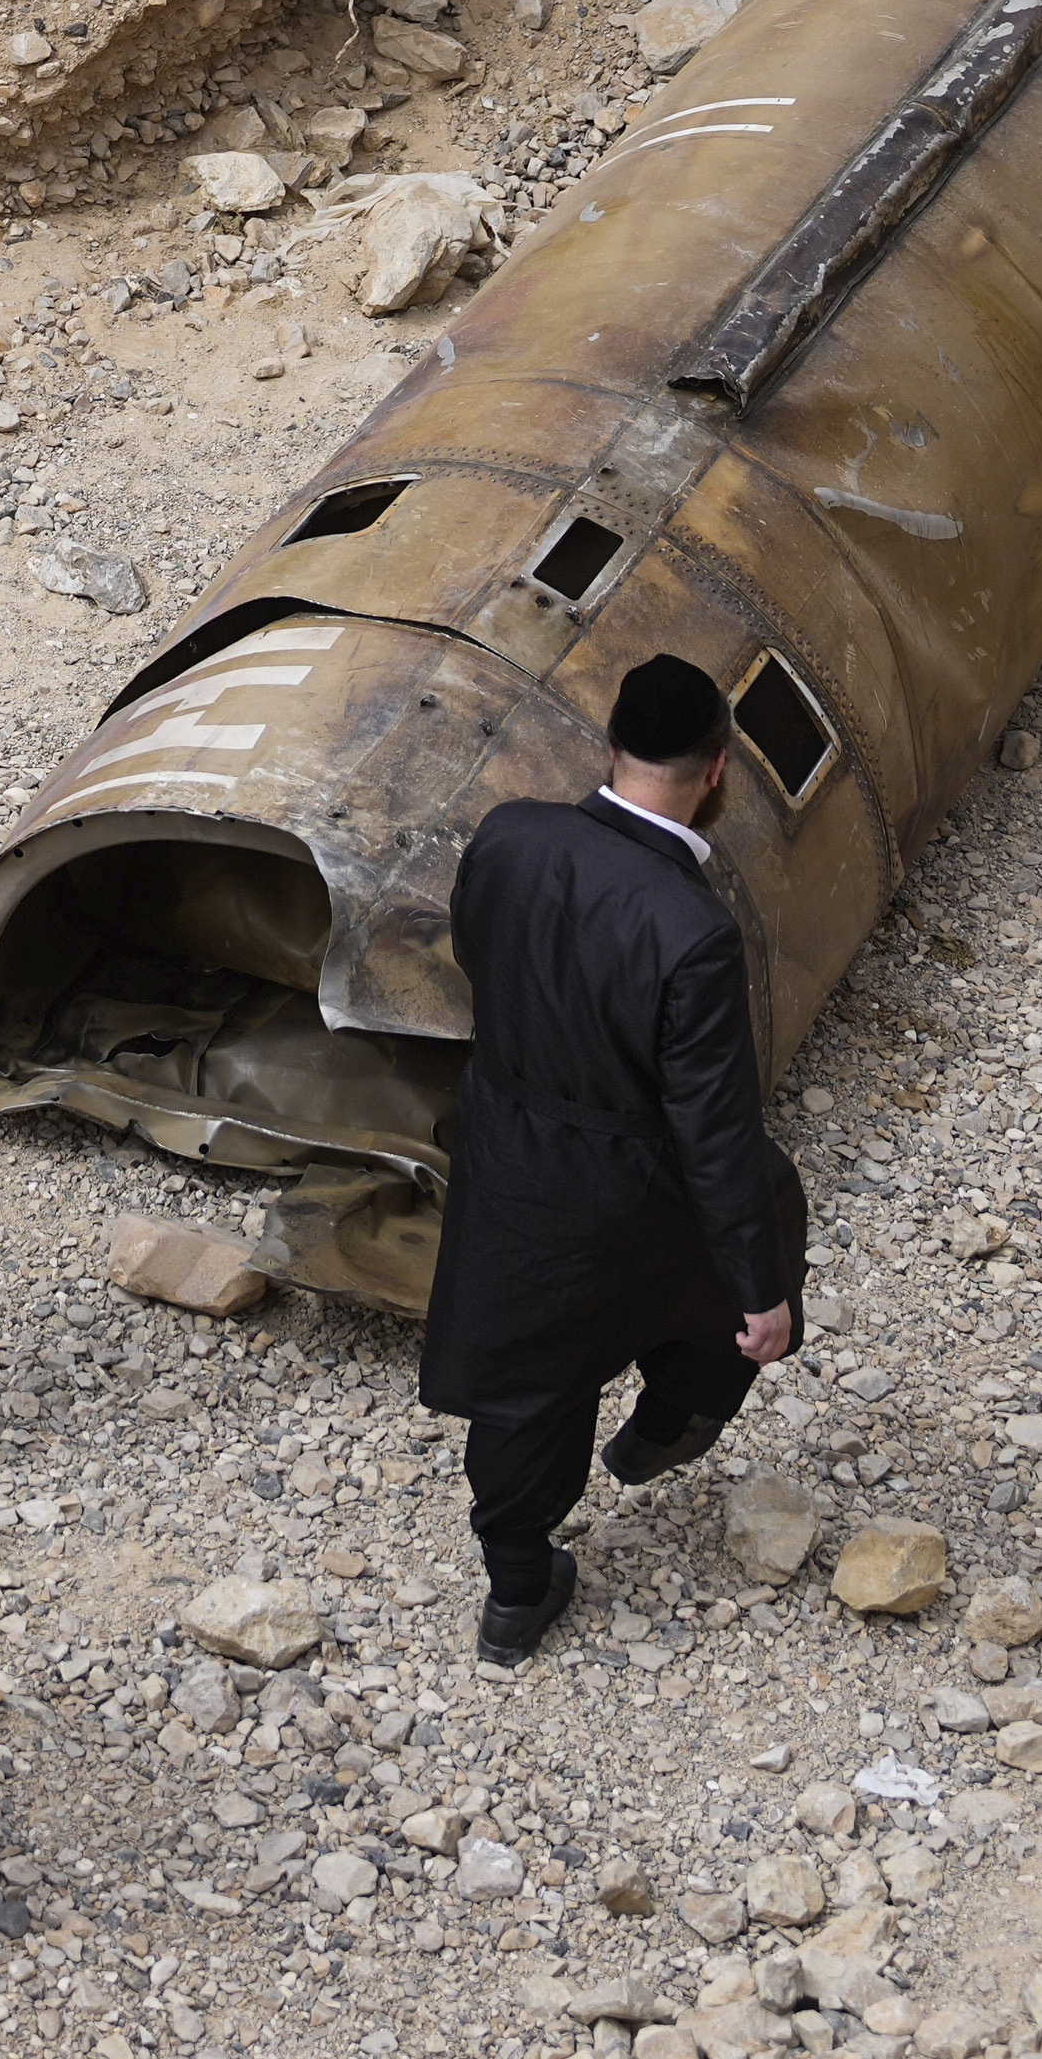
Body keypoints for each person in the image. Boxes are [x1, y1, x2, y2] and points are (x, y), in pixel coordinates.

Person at [415, 654, 804, 1672]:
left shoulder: (507, 835)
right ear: (716, 769)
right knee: (763, 1211)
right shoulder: (692, 930)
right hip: (623, 1180)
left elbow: (474, 952)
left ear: (610, 743)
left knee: (524, 1380)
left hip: (503, 1146)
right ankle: (670, 1419)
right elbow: (712, 1126)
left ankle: (513, 1591)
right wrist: (762, 1293)